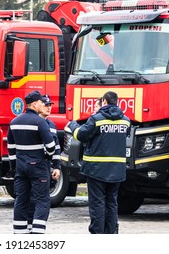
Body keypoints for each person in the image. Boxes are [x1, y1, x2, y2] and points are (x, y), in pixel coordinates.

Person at [67, 91, 130, 234]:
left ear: (105, 102)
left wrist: (72, 125)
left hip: (96, 170)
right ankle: (111, 233)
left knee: (97, 203)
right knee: (112, 203)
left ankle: (97, 234)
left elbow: (81, 135)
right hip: (117, 170)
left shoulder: (96, 119)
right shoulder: (126, 120)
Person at [7, 90, 56, 234]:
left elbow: (11, 149)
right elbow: (51, 147)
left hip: (21, 168)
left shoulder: (14, 122)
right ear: (35, 104)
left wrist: (15, 167)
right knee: (42, 200)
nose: (44, 104)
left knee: (21, 200)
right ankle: (37, 234)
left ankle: (20, 233)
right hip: (38, 167)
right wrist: (48, 157)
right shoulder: (40, 122)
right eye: (41, 102)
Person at [27, 94, 61, 232]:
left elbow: (57, 147)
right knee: (32, 200)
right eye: (46, 105)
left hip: (45, 167)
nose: (49, 108)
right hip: (32, 166)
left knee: (42, 198)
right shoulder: (33, 123)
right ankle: (31, 228)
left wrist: (57, 167)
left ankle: (37, 228)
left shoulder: (51, 125)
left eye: (50, 105)